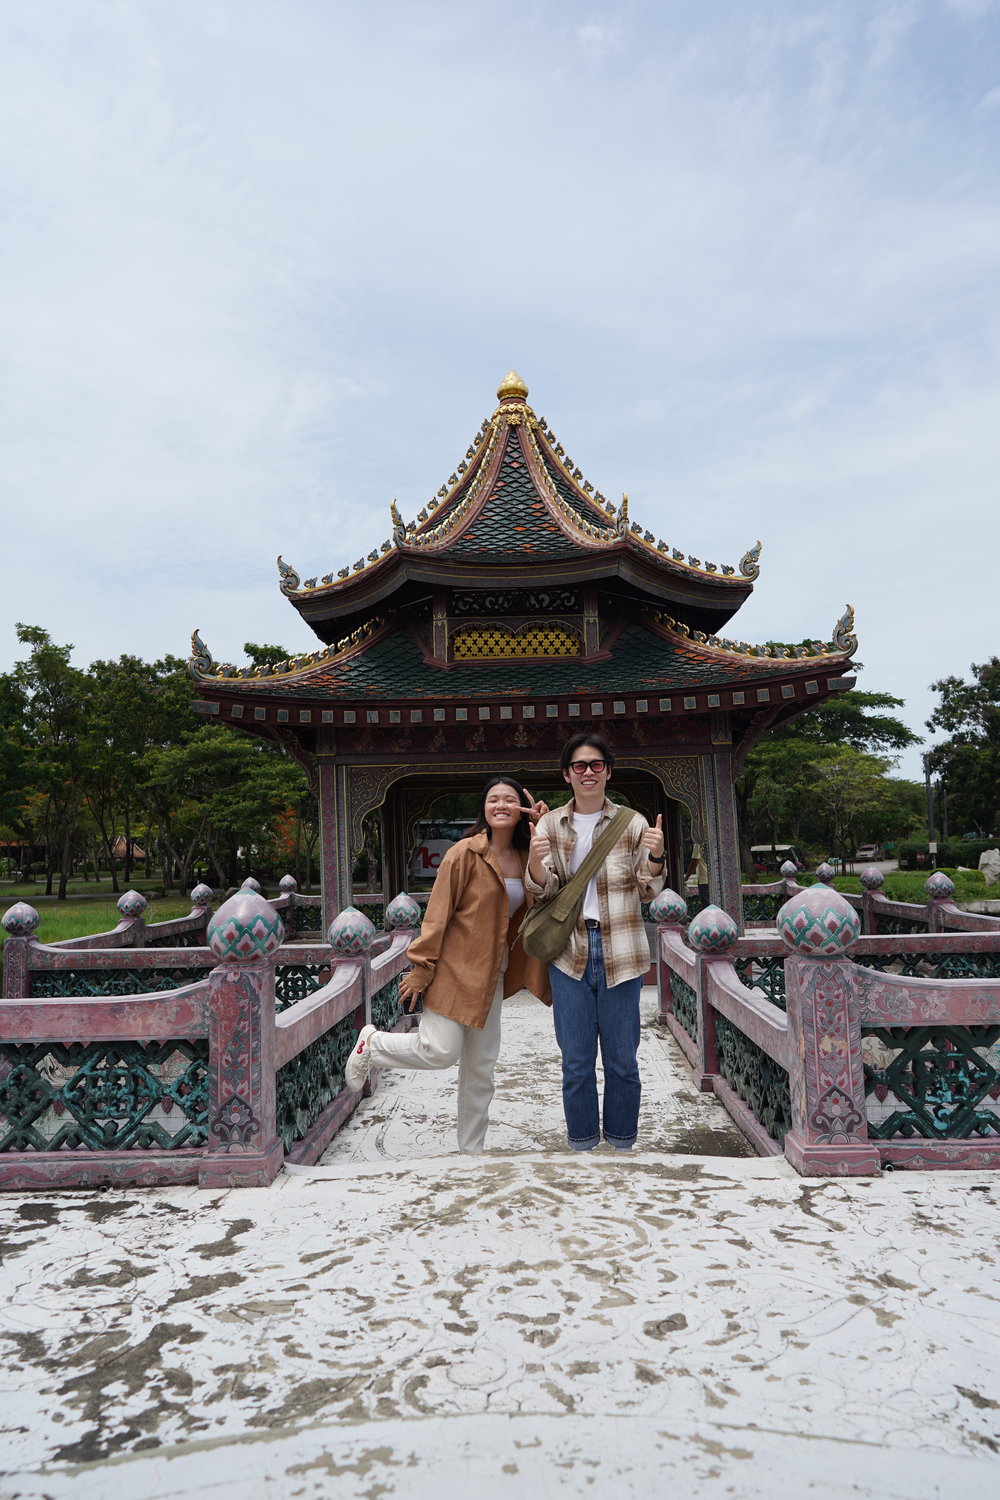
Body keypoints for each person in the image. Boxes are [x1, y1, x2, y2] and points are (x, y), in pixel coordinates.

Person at [344, 776, 550, 1154]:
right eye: (493, 799)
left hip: (493, 973)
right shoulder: (464, 853)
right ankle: (372, 1044)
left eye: (510, 799)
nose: (501, 805)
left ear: (522, 808)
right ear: (484, 809)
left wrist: (544, 833)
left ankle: (471, 1151)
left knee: (481, 1067)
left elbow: (545, 891)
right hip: (453, 968)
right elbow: (437, 914)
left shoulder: (525, 855)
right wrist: (421, 967)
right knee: (440, 1051)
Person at [526, 733, 664, 1153]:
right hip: (569, 951)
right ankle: (582, 1143)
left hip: (621, 949)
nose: (588, 772)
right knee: (576, 1062)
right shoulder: (551, 824)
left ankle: (622, 1142)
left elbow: (648, 890)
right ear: (567, 774)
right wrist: (534, 857)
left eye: (596, 765)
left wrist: (656, 856)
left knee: (623, 1061)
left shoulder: (634, 822)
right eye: (580, 766)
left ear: (608, 771)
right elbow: (543, 891)